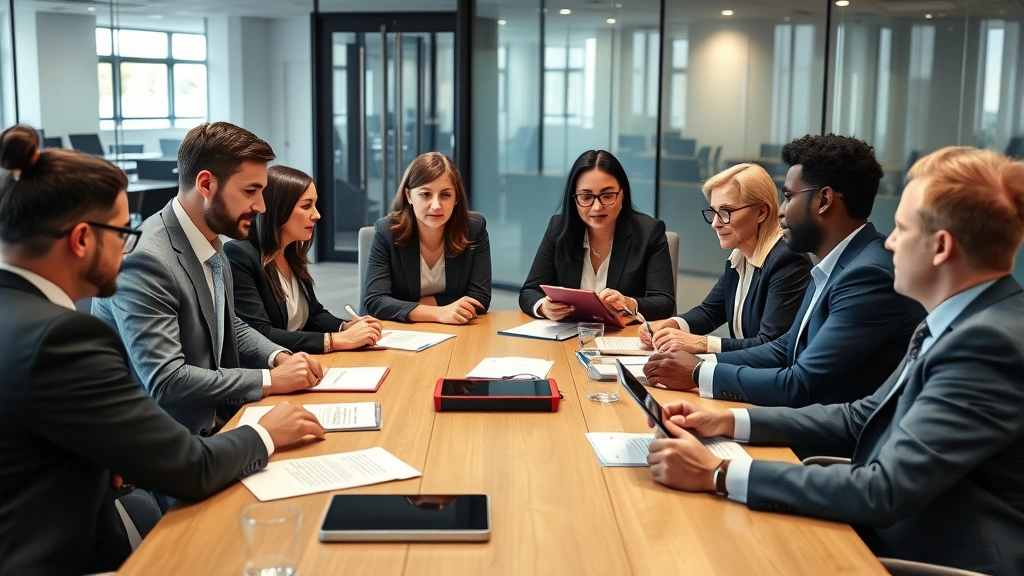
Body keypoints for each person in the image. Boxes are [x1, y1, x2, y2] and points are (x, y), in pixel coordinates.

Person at [644, 147, 1024, 575]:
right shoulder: (959, 319)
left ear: (940, 246)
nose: (890, 241)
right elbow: (862, 416)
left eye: (901, 228)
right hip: (895, 525)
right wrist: (724, 422)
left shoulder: (986, 344)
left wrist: (718, 473)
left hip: (930, 551)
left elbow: (883, 490)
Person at [0, 125, 325, 575]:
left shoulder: (18, 314)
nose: (127, 245)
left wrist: (275, 358)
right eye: (121, 232)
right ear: (80, 240)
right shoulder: (64, 335)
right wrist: (267, 431)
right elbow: (182, 451)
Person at [643, 134, 924, 408]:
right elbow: (785, 347)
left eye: (788, 197)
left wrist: (699, 371)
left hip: (826, 439)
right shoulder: (833, 264)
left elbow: (801, 383)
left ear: (824, 200)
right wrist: (700, 363)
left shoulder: (866, 275)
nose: (782, 211)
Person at [93, 122, 324, 437]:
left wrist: (278, 357)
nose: (261, 207)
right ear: (206, 184)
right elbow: (168, 381)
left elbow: (230, 324)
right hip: (168, 443)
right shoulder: (146, 259)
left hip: (219, 420)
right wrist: (270, 381)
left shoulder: (212, 241)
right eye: (250, 191)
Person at [639, 163, 811, 353]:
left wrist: (702, 344)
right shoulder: (740, 256)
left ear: (761, 212)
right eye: (713, 212)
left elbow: (770, 345)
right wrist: (670, 324)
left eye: (725, 212)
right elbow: (710, 312)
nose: (715, 224)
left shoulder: (787, 260)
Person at [225, 165, 383, 353]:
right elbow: (259, 334)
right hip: (274, 371)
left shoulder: (290, 252)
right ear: (279, 209)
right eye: (306, 206)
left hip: (303, 360)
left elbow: (314, 314)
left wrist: (345, 327)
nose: (317, 214)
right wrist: (333, 341)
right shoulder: (239, 255)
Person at [519, 150, 676, 321]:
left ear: (622, 194)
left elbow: (665, 302)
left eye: (607, 196)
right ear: (574, 198)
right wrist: (543, 306)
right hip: (567, 338)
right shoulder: (558, 229)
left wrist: (629, 304)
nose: (596, 207)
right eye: (586, 197)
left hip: (621, 340)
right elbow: (529, 292)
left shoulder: (649, 232)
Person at [364, 152, 492, 323]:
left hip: (456, 329)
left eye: (445, 195)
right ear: (409, 196)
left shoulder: (473, 228)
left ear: (456, 198)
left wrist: (412, 306)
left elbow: (479, 298)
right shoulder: (387, 231)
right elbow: (376, 301)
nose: (436, 205)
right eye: (425, 194)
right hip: (402, 332)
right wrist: (439, 313)